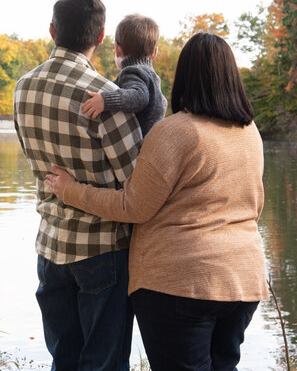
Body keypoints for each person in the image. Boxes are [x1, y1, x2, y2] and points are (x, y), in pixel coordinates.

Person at [45, 32, 268, 371]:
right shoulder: (249, 132)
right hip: (243, 281)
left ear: (185, 76)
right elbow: (255, 205)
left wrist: (70, 190)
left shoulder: (174, 132)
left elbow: (133, 206)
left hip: (179, 285)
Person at [13, 0, 143, 371]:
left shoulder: (23, 87)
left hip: (50, 246)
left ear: (52, 30)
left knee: (64, 361)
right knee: (105, 365)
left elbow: (33, 156)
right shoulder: (106, 96)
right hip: (103, 250)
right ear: (100, 37)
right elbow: (137, 182)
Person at [81, 14, 167, 137]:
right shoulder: (152, 76)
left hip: (140, 145)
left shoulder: (132, 72)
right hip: (154, 141)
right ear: (155, 53)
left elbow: (140, 97)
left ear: (117, 49)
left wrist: (105, 100)